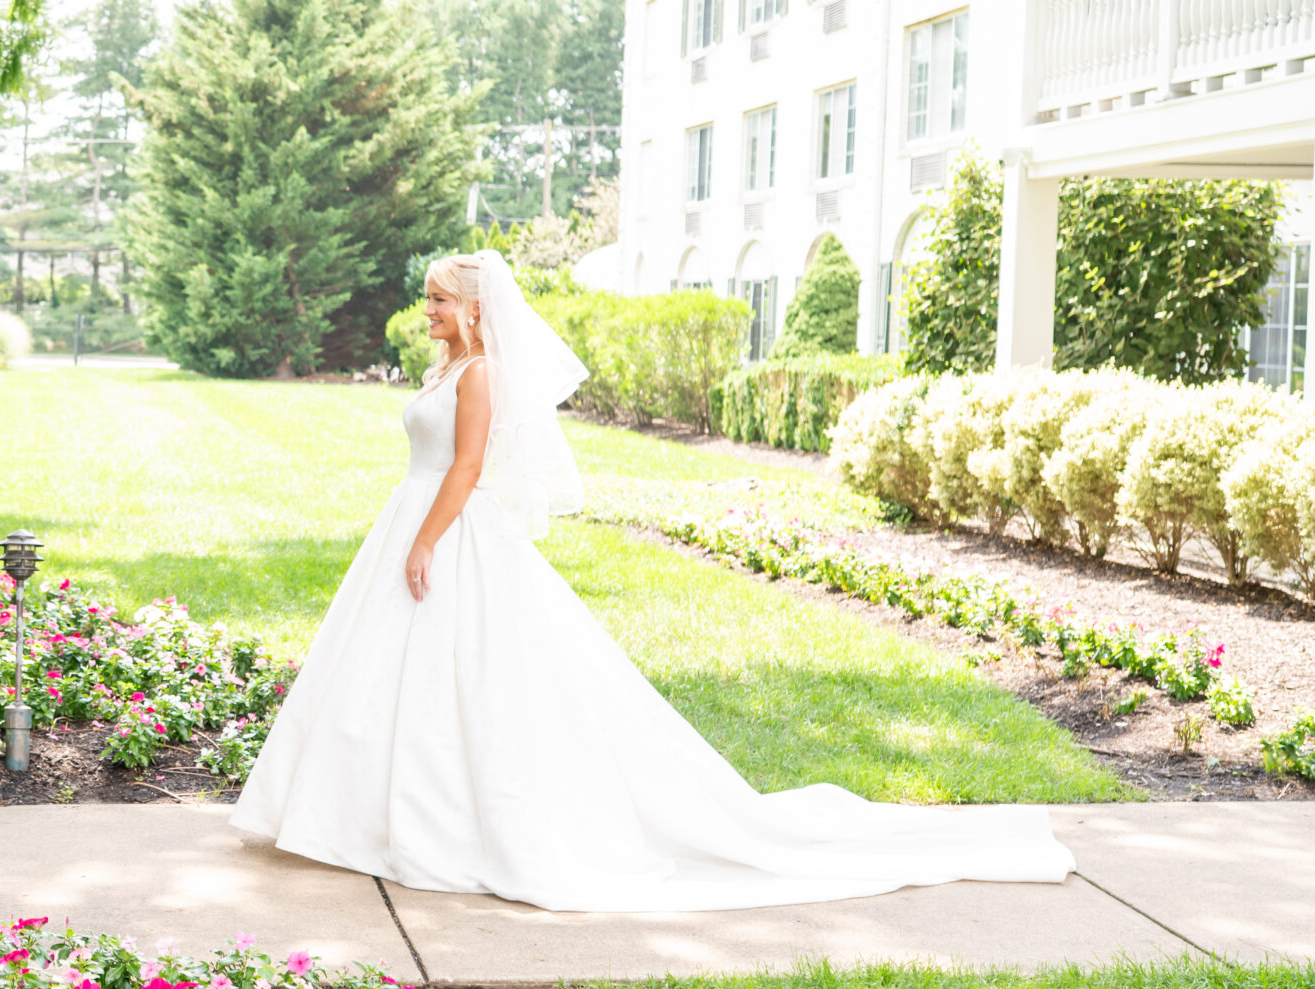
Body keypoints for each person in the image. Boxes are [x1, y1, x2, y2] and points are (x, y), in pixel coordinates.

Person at [229, 250, 1074, 911]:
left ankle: (436, 821)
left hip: (445, 531)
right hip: (411, 524)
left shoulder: (481, 374)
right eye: (428, 297)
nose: (428, 309)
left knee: (467, 679)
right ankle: (362, 812)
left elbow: (471, 463)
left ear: (475, 309)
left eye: (439, 298)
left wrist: (425, 540)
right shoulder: (446, 369)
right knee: (390, 676)